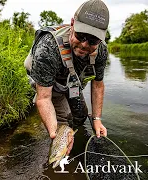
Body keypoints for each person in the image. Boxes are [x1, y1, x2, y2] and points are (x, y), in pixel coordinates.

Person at [24, 0, 109, 155]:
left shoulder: (101, 51)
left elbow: (98, 84)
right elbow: (44, 98)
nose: (84, 44)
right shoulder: (48, 48)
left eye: (92, 40)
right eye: (80, 35)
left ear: (101, 39)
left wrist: (97, 119)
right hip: (48, 84)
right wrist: (56, 136)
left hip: (71, 81)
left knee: (81, 116)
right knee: (64, 122)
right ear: (72, 24)